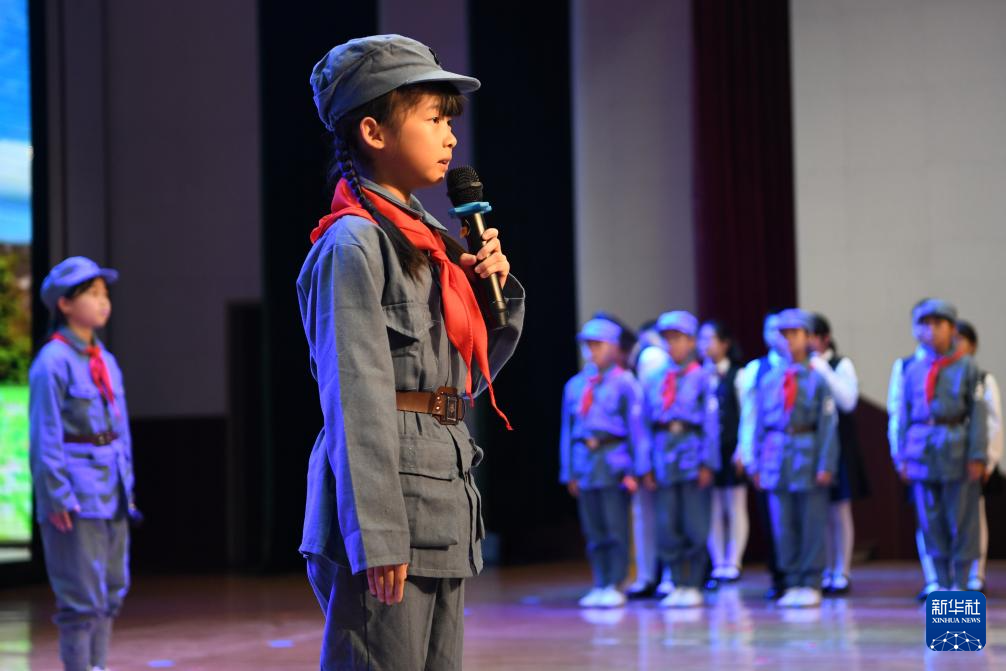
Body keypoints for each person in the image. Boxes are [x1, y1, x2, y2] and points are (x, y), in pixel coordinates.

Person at [298, 35, 525, 670]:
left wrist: (493, 289)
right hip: (391, 509)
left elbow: (466, 376)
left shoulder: (432, 244)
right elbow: (355, 396)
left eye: (450, 121)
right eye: (433, 119)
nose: (450, 137)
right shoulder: (354, 244)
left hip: (440, 499)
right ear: (373, 132)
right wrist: (376, 533)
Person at [30, 256, 137, 671]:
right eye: (92, 293)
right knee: (81, 601)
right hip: (76, 495)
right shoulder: (52, 362)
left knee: (111, 591)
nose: (103, 301)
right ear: (65, 304)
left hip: (112, 491)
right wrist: (55, 495)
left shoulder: (105, 360)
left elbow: (120, 428)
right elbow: (45, 434)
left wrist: (127, 484)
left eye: (104, 293)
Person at [892, 299, 986, 592]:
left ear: (952, 329)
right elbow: (903, 414)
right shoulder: (911, 368)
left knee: (961, 519)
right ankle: (940, 582)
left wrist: (978, 454)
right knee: (930, 520)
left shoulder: (966, 366)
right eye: (924, 324)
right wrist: (902, 456)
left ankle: (961, 582)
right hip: (922, 451)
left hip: (956, 448)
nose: (930, 331)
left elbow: (978, 413)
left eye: (938, 324)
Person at [752, 309, 838, 608]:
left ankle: (811, 580)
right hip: (776, 455)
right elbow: (759, 424)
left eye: (795, 334)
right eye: (783, 334)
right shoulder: (768, 380)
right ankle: (791, 580)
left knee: (811, 521)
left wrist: (826, 463)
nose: (789, 340)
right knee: (783, 523)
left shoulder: (817, 379)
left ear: (808, 338)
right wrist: (757, 462)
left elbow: (827, 425)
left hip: (807, 452)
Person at [559, 318, 649, 608]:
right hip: (585, 462)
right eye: (587, 345)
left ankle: (616, 582)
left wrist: (636, 469)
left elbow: (637, 429)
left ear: (613, 347)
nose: (591, 351)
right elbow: (567, 431)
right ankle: (600, 582)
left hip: (614, 462)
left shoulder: (625, 383)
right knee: (594, 529)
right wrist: (569, 471)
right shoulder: (575, 385)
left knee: (615, 527)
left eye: (598, 345)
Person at [640, 311, 720, 608]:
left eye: (678, 338)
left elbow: (711, 423)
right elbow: (645, 424)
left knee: (694, 523)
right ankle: (675, 580)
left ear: (691, 342)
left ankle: (693, 582)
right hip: (664, 454)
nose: (672, 344)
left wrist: (707, 462)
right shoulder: (656, 378)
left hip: (691, 452)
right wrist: (646, 465)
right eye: (668, 339)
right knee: (667, 524)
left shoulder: (702, 377)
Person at [808, 313, 870, 595]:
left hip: (840, 444)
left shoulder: (839, 364)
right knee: (819, 509)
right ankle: (825, 569)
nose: (808, 342)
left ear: (825, 338)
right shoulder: (800, 367)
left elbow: (848, 401)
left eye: (812, 335)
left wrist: (823, 370)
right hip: (812, 446)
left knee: (840, 509)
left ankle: (842, 570)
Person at [697, 319, 748, 588]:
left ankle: (734, 560)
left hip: (731, 446)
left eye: (710, 339)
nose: (705, 345)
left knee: (734, 504)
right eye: (701, 339)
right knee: (713, 507)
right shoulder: (698, 375)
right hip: (708, 449)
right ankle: (718, 562)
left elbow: (746, 414)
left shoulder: (738, 375)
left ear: (725, 343)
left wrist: (743, 448)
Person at [955, 319, 1002, 592]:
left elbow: (993, 423)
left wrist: (989, 459)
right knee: (938, 519)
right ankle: (940, 577)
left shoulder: (982, 379)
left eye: (961, 339)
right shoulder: (935, 374)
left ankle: (976, 573)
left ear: (972, 345)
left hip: (973, 459)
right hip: (944, 458)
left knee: (974, 516)